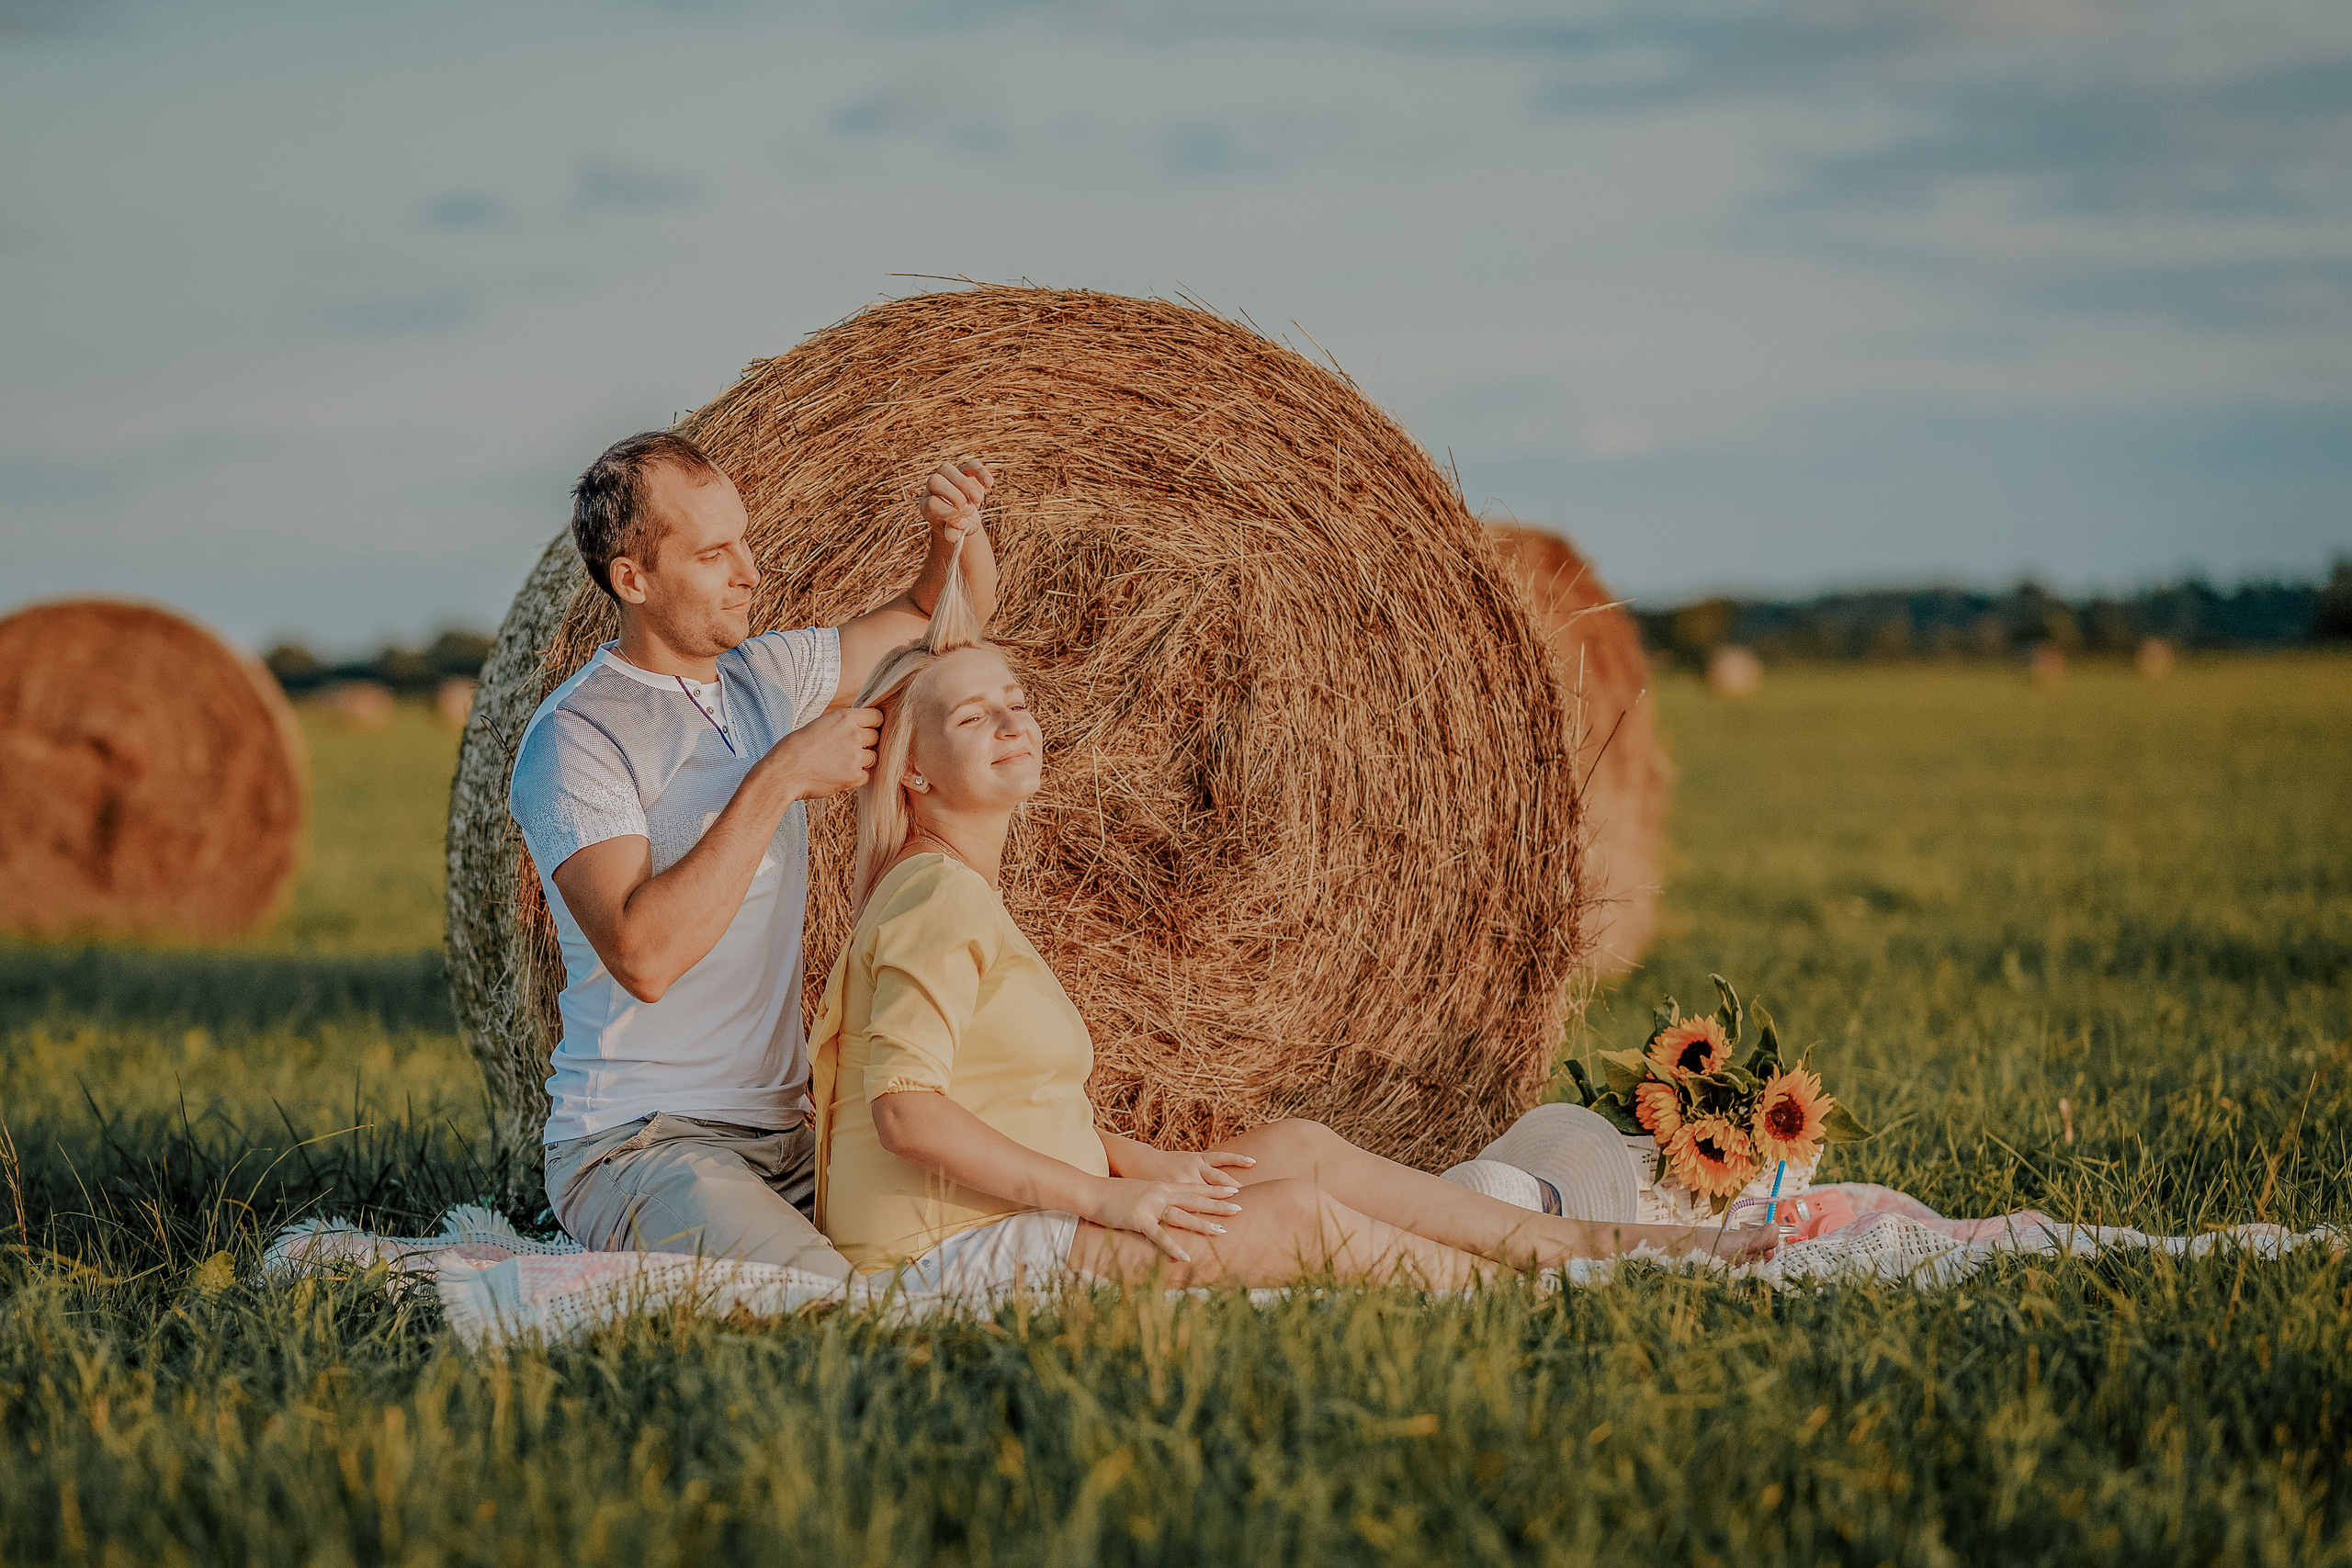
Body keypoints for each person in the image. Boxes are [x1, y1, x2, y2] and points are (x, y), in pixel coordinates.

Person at [808, 568, 1775, 1292]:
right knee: (1300, 1216)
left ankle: (1605, 1249)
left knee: (1298, 1150)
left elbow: (1014, 1105)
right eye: (973, 716)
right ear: (914, 772)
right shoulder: (935, 898)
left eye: (1017, 702)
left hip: (1020, 1212)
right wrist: (1112, 1201)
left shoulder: (955, 891)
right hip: (946, 1253)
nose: (1013, 721)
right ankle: (1563, 1289)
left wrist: (1155, 1167)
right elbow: (909, 1112)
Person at [512, 431, 996, 1280]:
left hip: (789, 1133)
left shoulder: (766, 676)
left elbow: (937, 618)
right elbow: (644, 954)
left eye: (744, 538)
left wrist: (956, 538)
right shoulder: (577, 737)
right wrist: (781, 777)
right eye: (712, 553)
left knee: (971, 1249)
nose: (751, 570)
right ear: (633, 579)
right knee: (824, 1295)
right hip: (638, 1141)